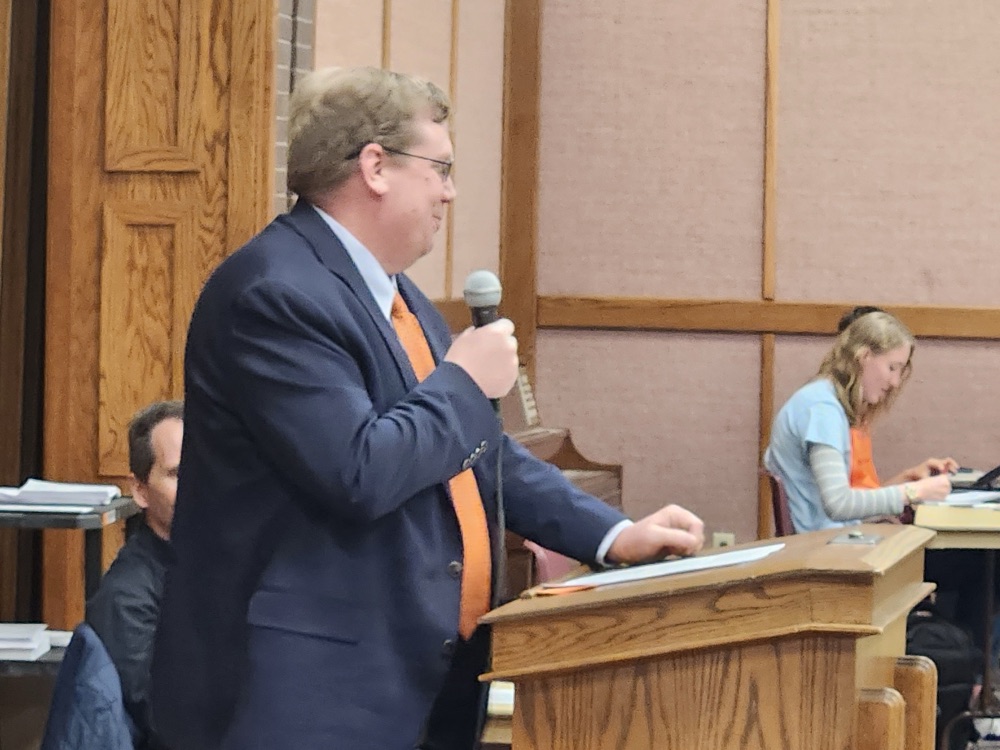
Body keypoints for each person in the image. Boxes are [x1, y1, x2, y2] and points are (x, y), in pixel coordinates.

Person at [150, 66, 705, 750]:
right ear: (375, 167)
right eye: (439, 168)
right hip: (305, 696)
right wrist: (465, 382)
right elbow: (358, 471)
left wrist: (612, 535)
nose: (450, 191)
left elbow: (479, 455)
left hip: (420, 681)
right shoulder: (274, 294)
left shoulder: (397, 295)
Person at [764, 308, 954, 533]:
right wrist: (914, 492)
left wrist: (908, 483)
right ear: (864, 357)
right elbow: (839, 504)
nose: (895, 382)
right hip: (822, 546)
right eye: (892, 368)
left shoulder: (823, 400)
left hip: (829, 539)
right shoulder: (822, 410)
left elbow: (846, 506)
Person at [86, 400, 182, 749]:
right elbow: (166, 719)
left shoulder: (222, 566)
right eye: (177, 474)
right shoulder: (126, 596)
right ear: (140, 490)